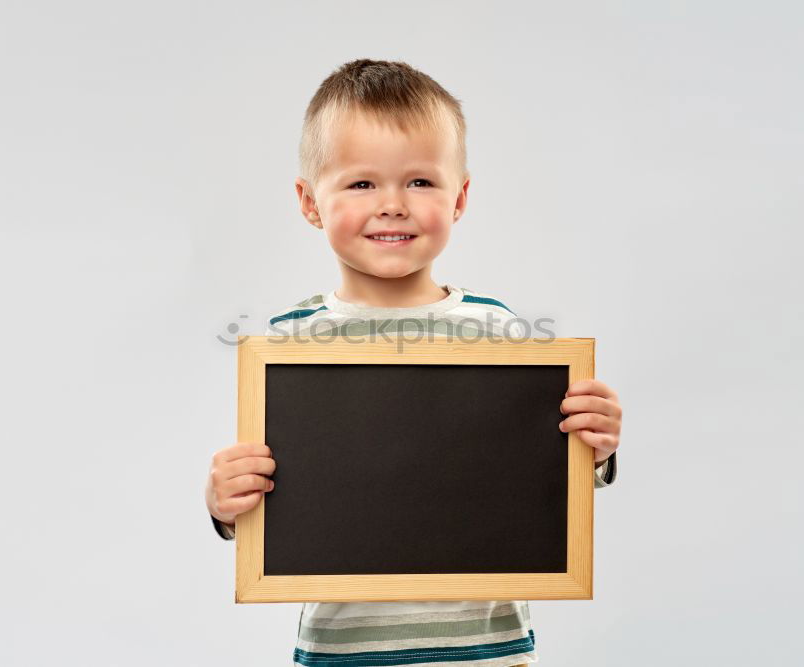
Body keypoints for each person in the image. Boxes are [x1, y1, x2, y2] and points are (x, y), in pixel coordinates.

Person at [205, 58, 623, 667]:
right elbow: (278, 499)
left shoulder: (500, 332)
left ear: (461, 198)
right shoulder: (289, 341)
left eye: (421, 182)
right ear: (309, 201)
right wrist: (223, 504)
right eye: (361, 183)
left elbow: (536, 477)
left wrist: (596, 450)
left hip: (486, 649)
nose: (393, 205)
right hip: (344, 652)